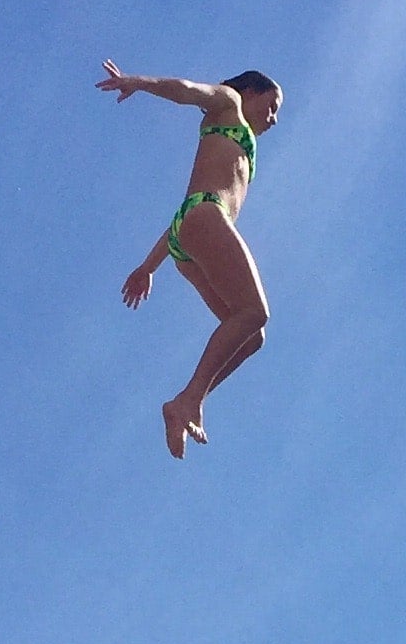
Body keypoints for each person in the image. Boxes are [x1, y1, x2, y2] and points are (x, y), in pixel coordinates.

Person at [100, 61, 282, 459]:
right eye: (271, 106)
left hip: (189, 233)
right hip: (204, 215)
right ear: (250, 91)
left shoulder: (239, 139)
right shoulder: (229, 102)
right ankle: (187, 400)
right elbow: (186, 89)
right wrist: (139, 82)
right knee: (255, 312)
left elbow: (188, 213)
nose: (273, 118)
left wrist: (149, 266)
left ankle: (188, 401)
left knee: (252, 336)